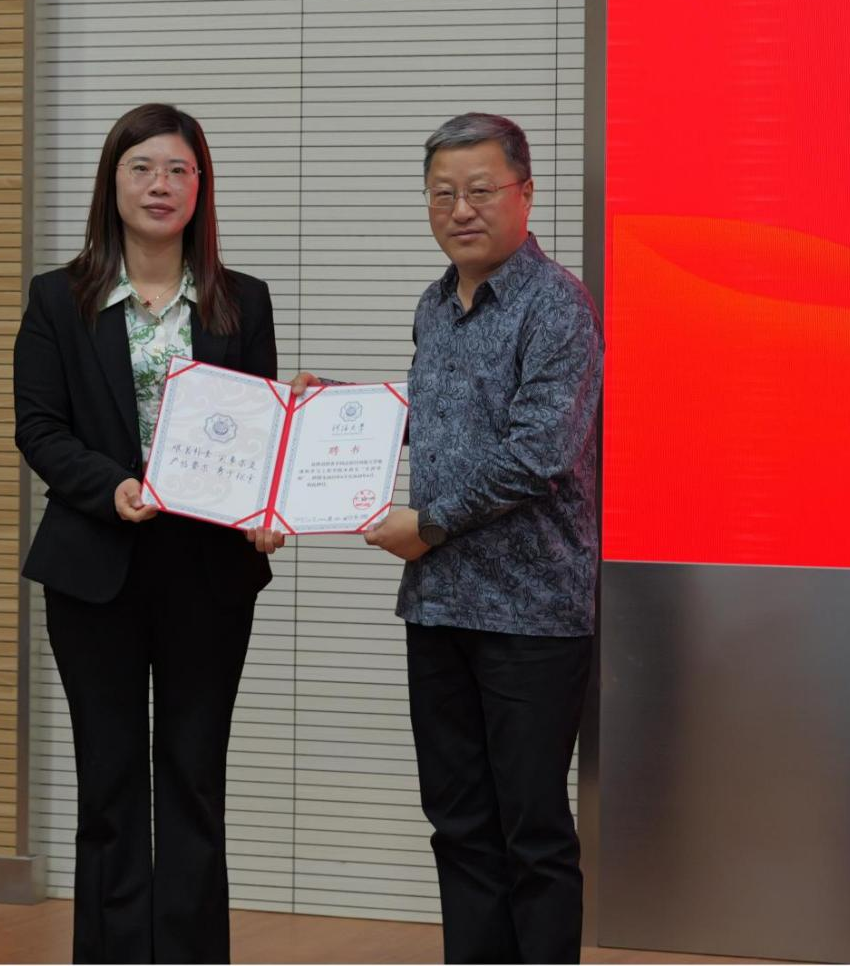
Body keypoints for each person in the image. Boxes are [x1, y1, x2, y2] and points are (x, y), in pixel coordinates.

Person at [253, 112, 603, 963]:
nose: (460, 210)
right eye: (441, 194)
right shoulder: (435, 304)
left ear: (524, 194)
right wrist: (332, 407)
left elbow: (538, 454)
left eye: (479, 190)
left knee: (531, 830)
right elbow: (435, 421)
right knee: (457, 823)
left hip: (531, 612)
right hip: (439, 604)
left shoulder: (557, 304)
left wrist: (432, 522)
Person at [14, 103, 276, 964]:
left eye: (178, 170)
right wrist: (111, 486)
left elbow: (259, 434)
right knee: (110, 781)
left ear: (200, 188)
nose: (159, 185)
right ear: (113, 182)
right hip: (94, 570)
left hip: (210, 572)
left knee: (195, 780)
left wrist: (267, 508)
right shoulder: (59, 298)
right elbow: (38, 427)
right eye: (142, 168)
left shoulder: (242, 301)